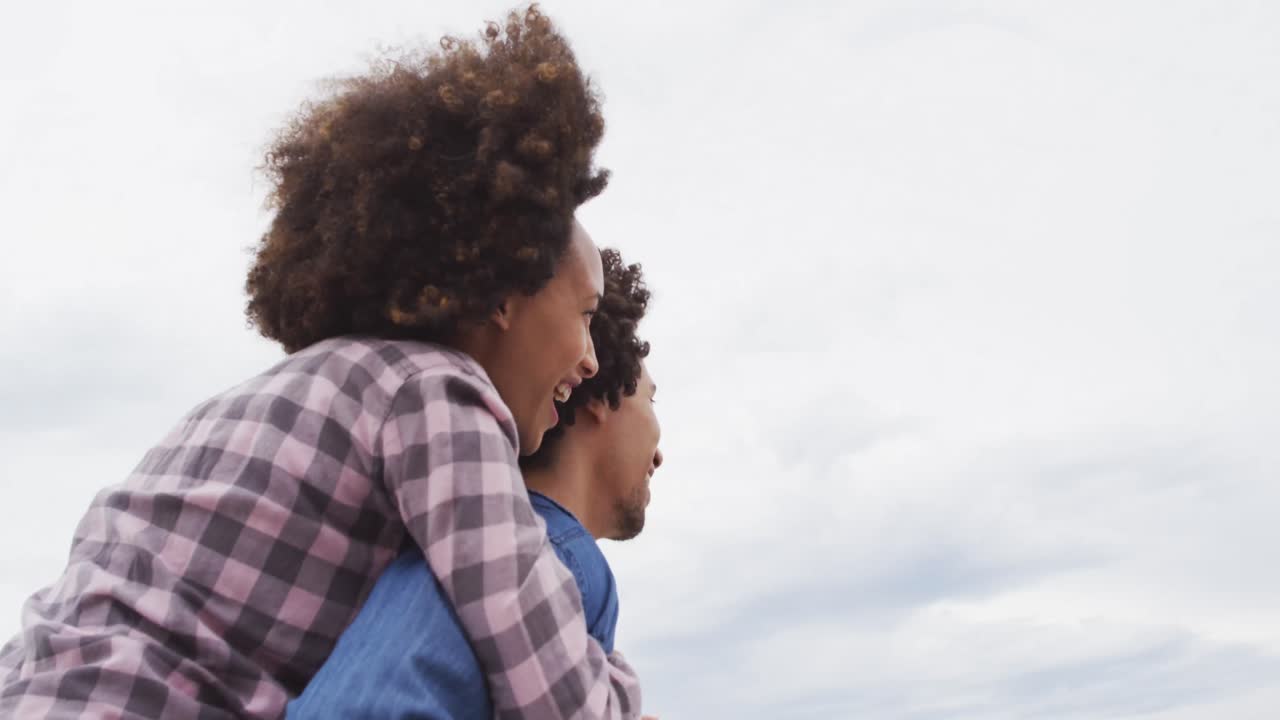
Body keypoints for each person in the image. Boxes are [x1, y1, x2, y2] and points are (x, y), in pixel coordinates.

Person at [0, 6, 643, 718]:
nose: (591, 359)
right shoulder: (434, 393)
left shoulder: (294, 392)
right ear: (506, 292)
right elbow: (549, 681)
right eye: (585, 315)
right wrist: (620, 688)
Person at [287, 248, 660, 719]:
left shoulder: (446, 546)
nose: (661, 451)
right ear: (601, 399)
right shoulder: (559, 557)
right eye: (652, 398)